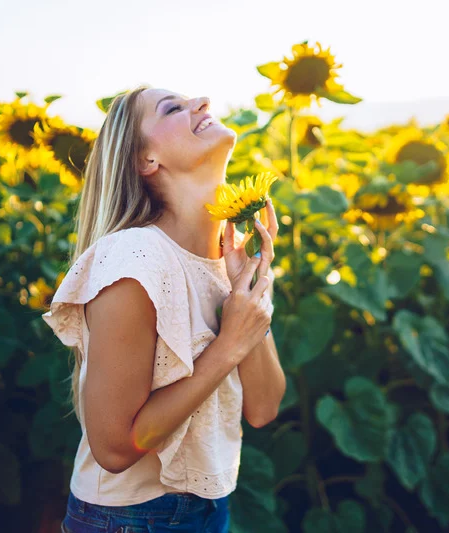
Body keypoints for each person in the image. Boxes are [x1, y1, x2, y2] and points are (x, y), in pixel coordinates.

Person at [41, 85, 286, 533]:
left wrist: (243, 294)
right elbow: (114, 449)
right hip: (129, 518)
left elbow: (264, 408)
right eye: (173, 108)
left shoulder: (225, 258)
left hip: (211, 506)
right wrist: (228, 345)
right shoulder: (135, 261)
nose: (203, 102)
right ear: (146, 160)